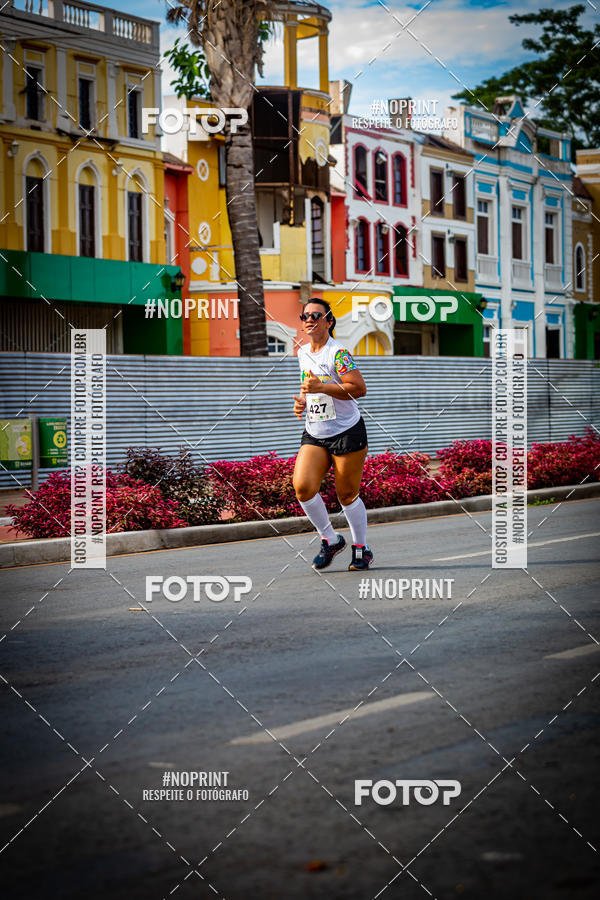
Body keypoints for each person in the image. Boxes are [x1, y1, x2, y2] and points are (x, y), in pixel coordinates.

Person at [292, 297, 373, 571]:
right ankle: (330, 539)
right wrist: (301, 401)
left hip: (346, 431)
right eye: (305, 316)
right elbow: (308, 387)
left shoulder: (338, 353)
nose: (310, 320)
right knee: (303, 487)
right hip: (316, 431)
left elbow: (359, 388)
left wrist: (323, 387)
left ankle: (361, 548)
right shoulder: (303, 353)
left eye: (316, 315)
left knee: (346, 495)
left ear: (329, 321)